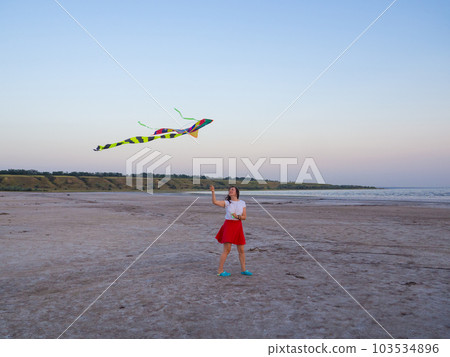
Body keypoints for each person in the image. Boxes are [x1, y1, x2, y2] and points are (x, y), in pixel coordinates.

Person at [210, 185, 253, 277]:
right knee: (227, 250)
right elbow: (214, 202)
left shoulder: (242, 203)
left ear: (236, 192)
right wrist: (213, 191)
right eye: (229, 190)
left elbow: (244, 217)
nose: (230, 191)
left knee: (241, 250)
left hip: (238, 226)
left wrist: (237, 216)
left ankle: (244, 270)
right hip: (229, 225)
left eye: (232, 189)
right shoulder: (227, 203)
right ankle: (220, 271)